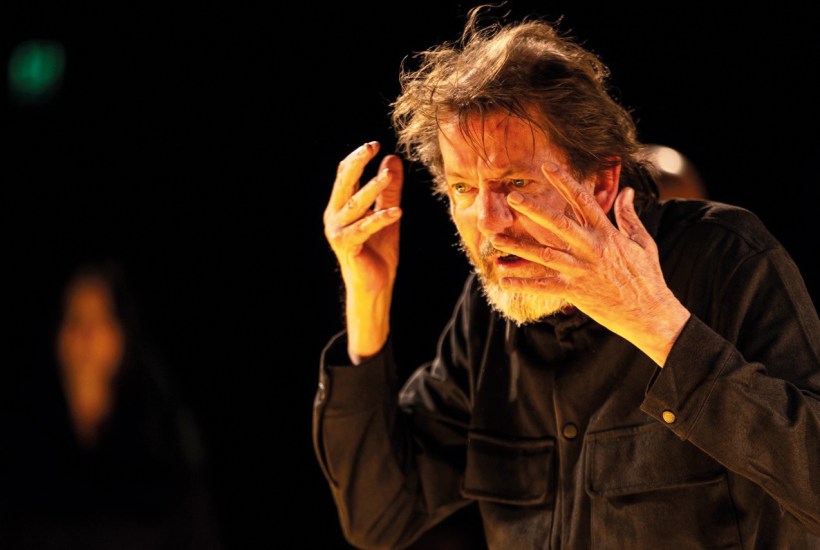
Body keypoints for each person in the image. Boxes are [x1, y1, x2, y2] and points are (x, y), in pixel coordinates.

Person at [315, 8, 820, 549]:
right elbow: (381, 517)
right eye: (464, 189)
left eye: (515, 183)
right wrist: (367, 297)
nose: (489, 222)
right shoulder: (488, 314)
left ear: (600, 181)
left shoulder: (725, 257)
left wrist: (659, 326)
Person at [1, 262, 222, 550]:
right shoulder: (24, 454)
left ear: (124, 336)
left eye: (100, 320)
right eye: (75, 319)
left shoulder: (165, 451)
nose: (86, 336)